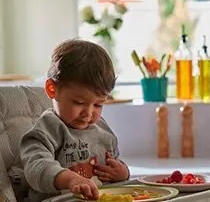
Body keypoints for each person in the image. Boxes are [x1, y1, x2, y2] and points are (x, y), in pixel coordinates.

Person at [20, 39, 130, 201]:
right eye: (79, 102)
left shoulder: (102, 129)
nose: (88, 113)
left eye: (98, 104)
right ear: (52, 89)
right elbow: (36, 168)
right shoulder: (46, 131)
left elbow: (114, 160)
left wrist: (122, 172)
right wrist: (70, 179)